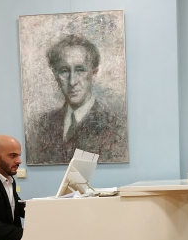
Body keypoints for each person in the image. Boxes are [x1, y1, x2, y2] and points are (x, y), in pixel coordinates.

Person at [26, 35, 128, 164]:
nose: (72, 81)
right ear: (56, 76)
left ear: (94, 73)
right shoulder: (43, 125)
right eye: (64, 71)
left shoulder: (113, 126)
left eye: (80, 70)